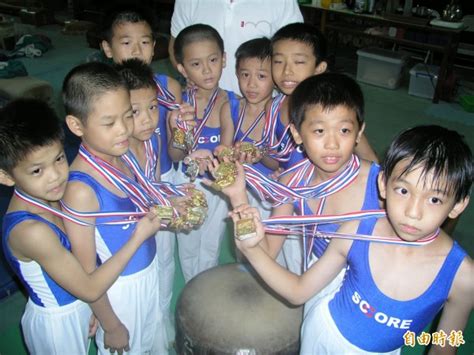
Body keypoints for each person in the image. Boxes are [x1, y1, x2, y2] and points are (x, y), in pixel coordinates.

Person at [231, 124, 473, 354]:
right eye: (403, 190)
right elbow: (298, 291)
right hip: (322, 335)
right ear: (383, 183)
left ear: (458, 205)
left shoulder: (463, 276)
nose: (413, 212)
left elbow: (445, 344)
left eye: (434, 200)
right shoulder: (356, 230)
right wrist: (252, 250)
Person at [0, 98, 162, 355]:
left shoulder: (51, 197)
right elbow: (89, 287)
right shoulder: (31, 231)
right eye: (36, 171)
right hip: (57, 324)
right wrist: (138, 236)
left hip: (81, 306)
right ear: (6, 176)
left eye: (59, 159)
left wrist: (96, 308)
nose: (55, 175)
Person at [217, 73, 382, 298]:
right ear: (297, 134)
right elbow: (268, 252)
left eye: (344, 130)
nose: (332, 144)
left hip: (371, 287)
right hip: (317, 282)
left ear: (359, 132)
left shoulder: (380, 184)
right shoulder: (291, 183)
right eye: (319, 131)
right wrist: (238, 197)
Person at [61, 62, 168, 354]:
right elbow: (86, 272)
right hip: (120, 292)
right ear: (76, 125)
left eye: (127, 115)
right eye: (109, 123)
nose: (124, 130)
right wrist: (110, 323)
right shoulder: (80, 190)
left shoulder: (123, 155)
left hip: (148, 273)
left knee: (152, 343)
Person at [100, 6, 185, 343]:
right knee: (128, 264)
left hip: (162, 181)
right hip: (126, 193)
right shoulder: (102, 97)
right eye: (125, 42)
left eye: (145, 42)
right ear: (108, 49)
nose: (136, 51)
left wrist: (181, 132)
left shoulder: (170, 88)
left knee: (164, 260)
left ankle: (160, 322)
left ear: (155, 47)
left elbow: (179, 152)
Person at [170, 24, 238, 282]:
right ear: (182, 68)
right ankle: (190, 289)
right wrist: (181, 135)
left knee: (210, 247)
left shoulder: (233, 102)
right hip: (184, 183)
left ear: (224, 59)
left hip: (216, 184)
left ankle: (204, 293)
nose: (207, 70)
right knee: (187, 247)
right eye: (196, 64)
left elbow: (229, 153)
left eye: (212, 60)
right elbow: (176, 155)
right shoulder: (179, 104)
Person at [169, 0, 303, 94]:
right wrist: (190, 77)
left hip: (263, 109)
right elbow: (175, 47)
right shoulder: (187, 2)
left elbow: (296, 52)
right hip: (202, 103)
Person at [217, 37, 276, 219]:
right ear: (236, 74)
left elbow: (277, 164)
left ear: (276, 76)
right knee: (242, 242)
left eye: (261, 76)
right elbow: (224, 152)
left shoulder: (279, 113)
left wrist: (262, 155)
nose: (251, 84)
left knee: (267, 242)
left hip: (269, 192)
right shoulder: (231, 108)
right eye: (245, 75)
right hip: (239, 188)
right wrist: (226, 155)